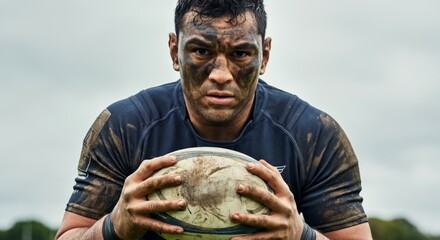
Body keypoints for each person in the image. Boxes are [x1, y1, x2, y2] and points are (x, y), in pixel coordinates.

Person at [56, 0, 372, 239]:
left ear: (265, 55)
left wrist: (302, 235)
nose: (221, 75)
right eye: (201, 51)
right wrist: (113, 226)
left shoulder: (313, 135)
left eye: (240, 54)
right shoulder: (125, 127)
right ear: (173, 50)